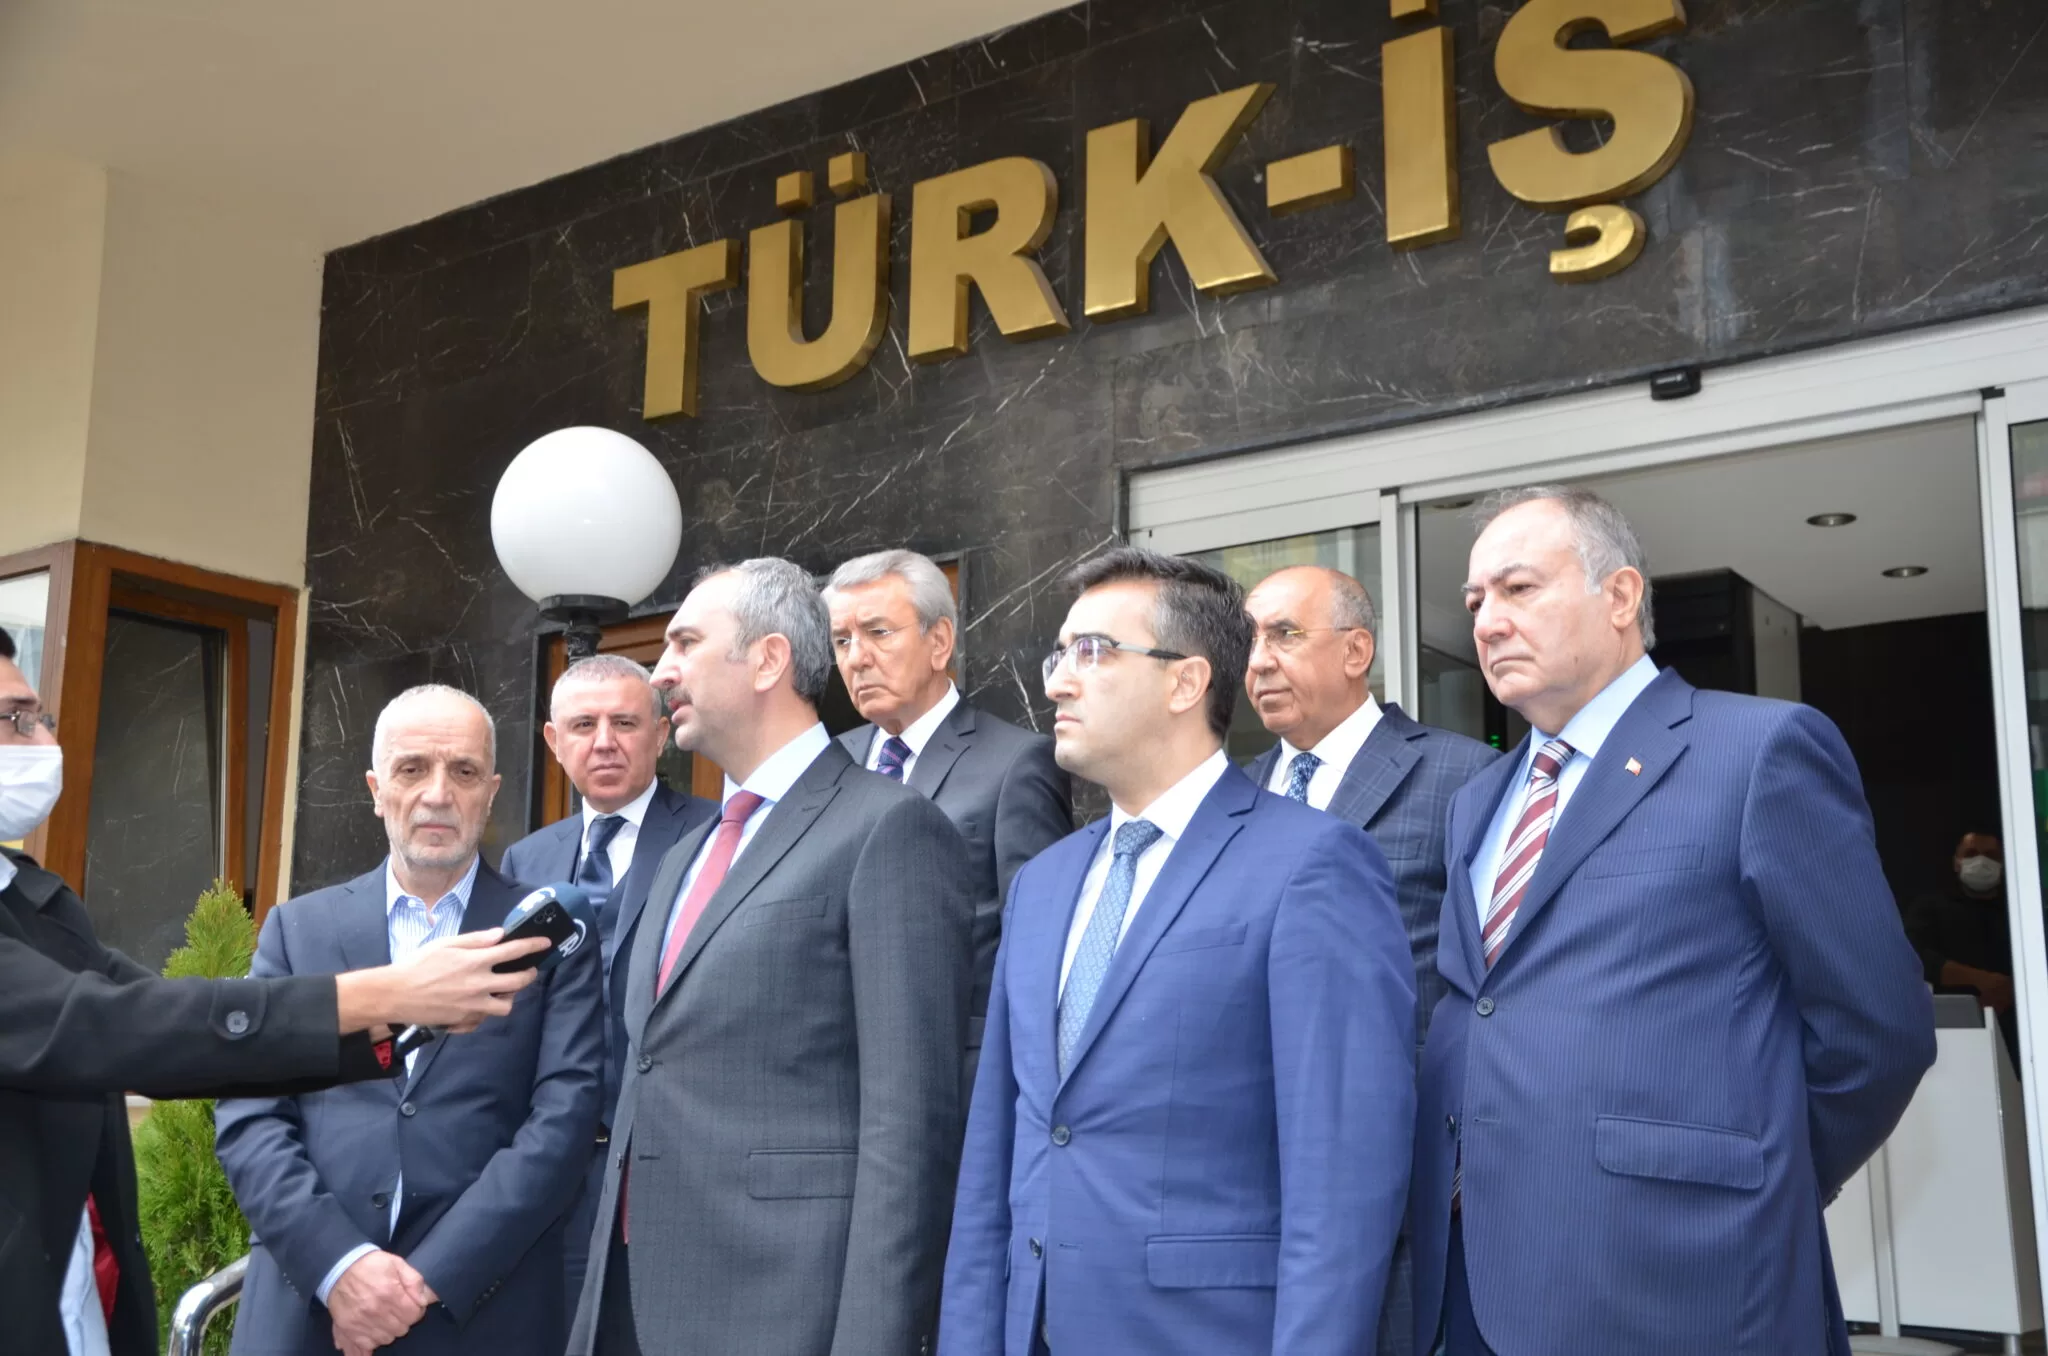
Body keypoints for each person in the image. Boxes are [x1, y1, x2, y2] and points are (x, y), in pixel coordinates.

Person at [1414, 486, 1936, 1356]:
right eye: (1475, 603)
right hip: (1473, 1276)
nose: (1489, 622)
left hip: (1681, 1278)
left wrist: (1758, 1180)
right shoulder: (1479, 800)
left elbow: (1877, 1029)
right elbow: (1482, 1007)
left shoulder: (1760, 752)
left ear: (1620, 596)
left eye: (1518, 589)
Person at [0, 631, 550, 1356]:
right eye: (15, 720)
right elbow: (111, 1026)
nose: (45, 742)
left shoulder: (34, 901)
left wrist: (382, 1021)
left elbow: (193, 1036)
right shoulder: (301, 925)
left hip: (71, 1302)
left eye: (38, 717)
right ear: (375, 788)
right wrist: (390, 994)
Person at [941, 548, 1415, 1355]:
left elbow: (1343, 1183)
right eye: (1059, 655)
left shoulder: (1312, 865)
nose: (1058, 683)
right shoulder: (1043, 884)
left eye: (1093, 651)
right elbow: (995, 1156)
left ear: (1186, 682)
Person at [570, 558, 975, 1356]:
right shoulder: (684, 854)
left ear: (768, 660)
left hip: (783, 1311)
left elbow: (909, 1126)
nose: (662, 672)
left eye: (685, 642)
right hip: (630, 1302)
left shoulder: (889, 829)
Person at [216, 685, 603, 1356]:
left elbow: (563, 1125)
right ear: (376, 789)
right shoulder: (297, 931)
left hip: (480, 1310)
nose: (437, 794)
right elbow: (252, 1111)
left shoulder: (546, 939)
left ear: (491, 793)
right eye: (412, 768)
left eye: (464, 772)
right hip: (309, 1309)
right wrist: (341, 1268)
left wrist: (423, 1282)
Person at [1240, 563, 1497, 1356]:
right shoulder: (1231, 798)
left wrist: (1467, 1159)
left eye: (1284, 634)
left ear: (1357, 651)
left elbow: (1494, 989)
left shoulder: (1463, 776)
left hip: (1410, 1180)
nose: (1257, 661)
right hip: (1251, 1174)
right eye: (1249, 640)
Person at [500, 654, 716, 1308]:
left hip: (676, 1166)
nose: (604, 742)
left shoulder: (717, 835)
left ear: (661, 733)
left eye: (624, 722)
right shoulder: (525, 859)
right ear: (552, 740)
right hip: (552, 1176)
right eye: (583, 725)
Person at [823, 549, 1072, 1086]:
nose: (857, 658)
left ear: (939, 642)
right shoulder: (829, 764)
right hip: (832, 1078)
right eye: (842, 641)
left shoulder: (1015, 763)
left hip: (955, 1077)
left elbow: (1036, 946)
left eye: (878, 632)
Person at [1906, 832, 2014, 1015]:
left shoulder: (2019, 915)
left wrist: (2011, 989)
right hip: (1946, 1020)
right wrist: (1980, 979)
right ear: (1956, 863)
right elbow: (1912, 955)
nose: (1981, 861)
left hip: (2021, 1022)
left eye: (1991, 855)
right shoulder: (1931, 907)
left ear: (2003, 865)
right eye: (1971, 854)